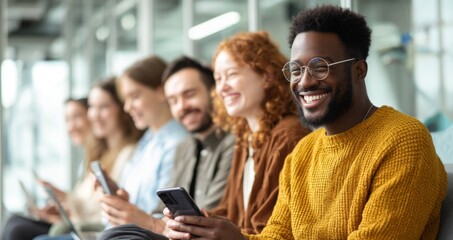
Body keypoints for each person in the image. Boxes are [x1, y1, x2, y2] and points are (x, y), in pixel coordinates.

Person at [167, 5, 448, 240]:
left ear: (359, 69)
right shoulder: (304, 153)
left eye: (320, 67)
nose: (305, 81)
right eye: (296, 69)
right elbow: (276, 236)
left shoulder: (404, 140)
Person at [102, 32, 311, 240]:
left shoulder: (287, 137)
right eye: (219, 78)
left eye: (232, 74)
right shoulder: (245, 138)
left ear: (266, 75)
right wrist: (187, 222)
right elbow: (229, 213)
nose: (223, 87)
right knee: (117, 234)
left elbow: (270, 229)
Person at [97, 56, 235, 238]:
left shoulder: (232, 145)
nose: (182, 107)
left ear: (214, 92)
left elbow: (208, 220)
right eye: (174, 101)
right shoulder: (185, 147)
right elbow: (162, 209)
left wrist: (149, 222)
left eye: (189, 94)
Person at [30, 77, 143, 240]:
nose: (95, 115)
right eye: (92, 107)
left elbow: (102, 210)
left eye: (103, 107)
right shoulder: (101, 154)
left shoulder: (129, 154)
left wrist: (66, 204)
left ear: (122, 108)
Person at [95, 55, 190, 230]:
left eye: (135, 96)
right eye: (126, 99)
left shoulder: (178, 144)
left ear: (161, 92)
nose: (127, 107)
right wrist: (118, 197)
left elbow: (164, 214)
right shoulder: (146, 142)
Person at [1, 98, 92, 240]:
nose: (71, 126)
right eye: (67, 119)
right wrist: (62, 210)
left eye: (77, 116)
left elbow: (92, 210)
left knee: (17, 229)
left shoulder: (103, 162)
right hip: (76, 222)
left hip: (84, 227)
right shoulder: (86, 162)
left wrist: (64, 201)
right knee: (13, 220)